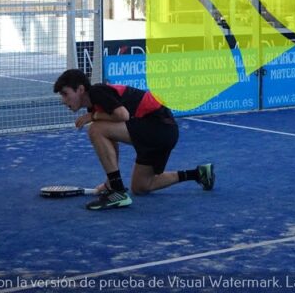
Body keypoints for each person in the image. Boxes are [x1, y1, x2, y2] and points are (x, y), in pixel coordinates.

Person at [53, 69, 215, 210]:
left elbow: (123, 115)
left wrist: (92, 116)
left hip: (159, 127)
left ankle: (118, 192)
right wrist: (111, 181)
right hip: (163, 132)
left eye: (65, 94)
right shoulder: (95, 105)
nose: (63, 100)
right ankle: (198, 174)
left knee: (95, 129)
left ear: (81, 89)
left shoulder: (97, 92)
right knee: (141, 187)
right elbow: (110, 140)